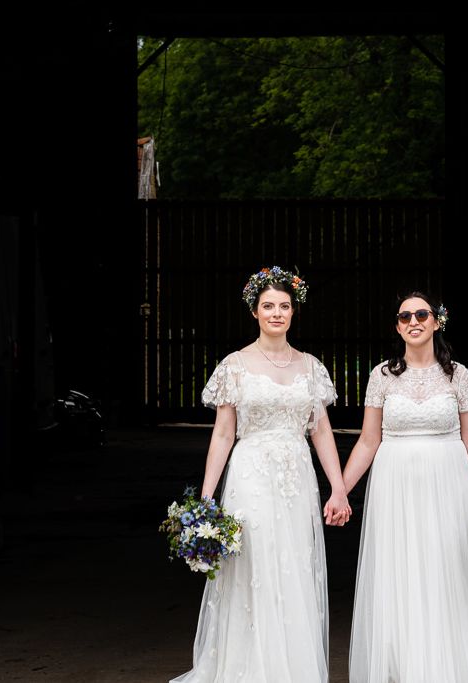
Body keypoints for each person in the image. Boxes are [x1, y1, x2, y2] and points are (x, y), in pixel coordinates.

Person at [170, 266, 351, 683]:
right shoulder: (234, 365)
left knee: (294, 568)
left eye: (284, 306)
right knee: (254, 567)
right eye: (268, 306)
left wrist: (338, 488)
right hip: (251, 475)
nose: (276, 313)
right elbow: (223, 434)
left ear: (293, 312)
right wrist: (207, 498)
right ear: (254, 311)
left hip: (296, 478)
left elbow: (321, 431)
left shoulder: (310, 367)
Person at [343, 293, 468, 683]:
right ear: (398, 327)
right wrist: (340, 491)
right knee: (399, 574)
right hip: (394, 488)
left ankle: (445, 667)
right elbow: (368, 441)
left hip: (447, 487)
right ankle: (403, 667)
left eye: (421, 314)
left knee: (445, 571)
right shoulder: (382, 375)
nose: (413, 321)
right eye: (405, 316)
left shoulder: (458, 375)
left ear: (436, 321)